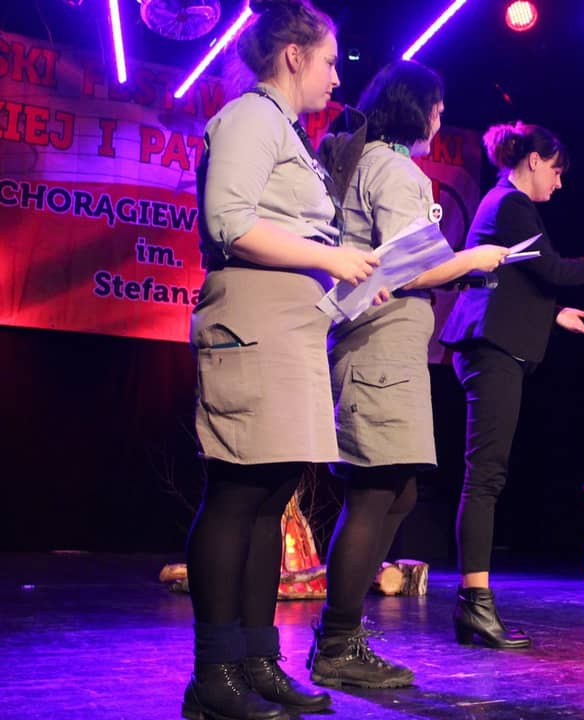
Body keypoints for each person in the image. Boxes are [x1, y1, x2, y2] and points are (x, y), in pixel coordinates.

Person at [184, 0, 381, 718]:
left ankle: (257, 660)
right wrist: (331, 258)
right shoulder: (249, 118)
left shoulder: (289, 134)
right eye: (329, 59)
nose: (337, 75)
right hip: (252, 323)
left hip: (293, 329)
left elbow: (293, 231)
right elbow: (229, 223)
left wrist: (352, 274)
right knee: (237, 494)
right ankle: (214, 675)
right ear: (293, 55)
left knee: (272, 502)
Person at [307, 60, 509, 689]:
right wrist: (472, 259)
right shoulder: (392, 169)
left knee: (399, 494)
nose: (441, 121)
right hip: (378, 352)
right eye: (437, 109)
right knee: (375, 492)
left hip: (388, 351)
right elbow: (405, 267)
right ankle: (337, 643)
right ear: (413, 108)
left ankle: (342, 635)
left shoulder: (377, 164)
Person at [439, 122, 584, 648]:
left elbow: (517, 282)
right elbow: (552, 270)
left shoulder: (506, 204)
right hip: (490, 350)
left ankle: (474, 605)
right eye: (557, 172)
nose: (559, 184)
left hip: (494, 346)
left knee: (487, 475)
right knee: (484, 478)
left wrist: (554, 314)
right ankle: (475, 604)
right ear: (536, 161)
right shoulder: (512, 204)